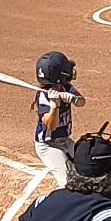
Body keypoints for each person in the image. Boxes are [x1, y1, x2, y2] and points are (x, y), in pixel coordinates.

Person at [32, 51, 85, 185]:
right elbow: (51, 125)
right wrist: (54, 105)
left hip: (65, 141)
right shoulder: (44, 97)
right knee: (66, 182)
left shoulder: (65, 87)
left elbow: (82, 102)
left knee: (84, 170)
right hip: (48, 145)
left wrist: (73, 98)